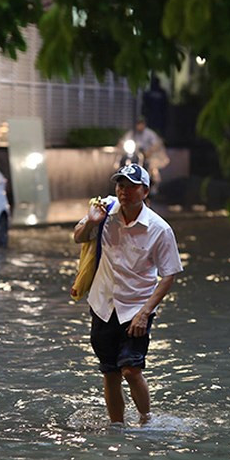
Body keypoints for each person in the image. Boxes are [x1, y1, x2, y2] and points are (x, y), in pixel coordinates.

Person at [73, 163, 183, 425]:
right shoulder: (104, 210)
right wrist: (91, 220)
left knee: (131, 370)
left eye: (131, 186)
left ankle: (146, 420)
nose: (124, 191)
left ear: (145, 191)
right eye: (120, 185)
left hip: (136, 308)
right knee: (110, 372)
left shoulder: (159, 229)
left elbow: (168, 275)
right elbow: (78, 237)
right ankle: (117, 426)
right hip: (103, 303)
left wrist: (145, 313)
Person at [120, 117, 169, 195]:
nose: (139, 126)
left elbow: (156, 144)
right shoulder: (132, 133)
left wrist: (149, 151)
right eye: (138, 124)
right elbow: (123, 141)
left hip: (149, 156)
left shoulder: (149, 133)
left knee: (152, 167)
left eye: (141, 124)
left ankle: (154, 184)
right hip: (135, 155)